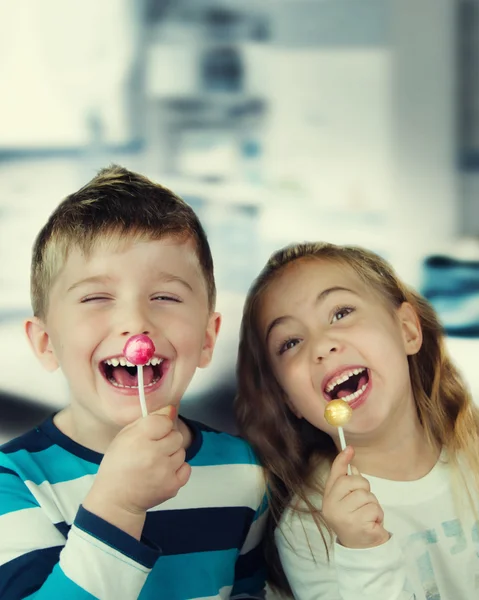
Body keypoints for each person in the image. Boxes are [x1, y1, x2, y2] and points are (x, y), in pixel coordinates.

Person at [0, 166, 266, 600]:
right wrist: (118, 507)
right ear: (46, 343)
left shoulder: (245, 472)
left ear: (207, 338)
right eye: (96, 298)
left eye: (165, 297)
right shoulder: (13, 481)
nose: (135, 323)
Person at [235, 241, 479, 600]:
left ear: (408, 331)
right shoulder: (308, 528)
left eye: (341, 312)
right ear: (289, 400)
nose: (321, 346)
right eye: (290, 342)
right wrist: (362, 550)